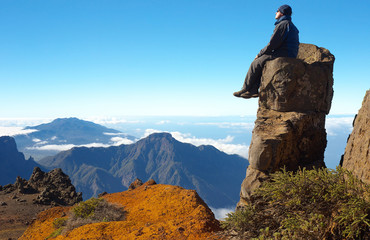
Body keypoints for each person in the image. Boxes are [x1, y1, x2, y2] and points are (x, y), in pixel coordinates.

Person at [234, 4, 299, 99]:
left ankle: (247, 88)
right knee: (262, 62)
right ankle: (253, 90)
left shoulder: (283, 24)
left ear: (282, 13)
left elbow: (273, 43)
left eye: (277, 11)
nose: (275, 12)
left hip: (285, 54)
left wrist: (260, 54)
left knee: (256, 63)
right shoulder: (289, 24)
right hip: (288, 53)